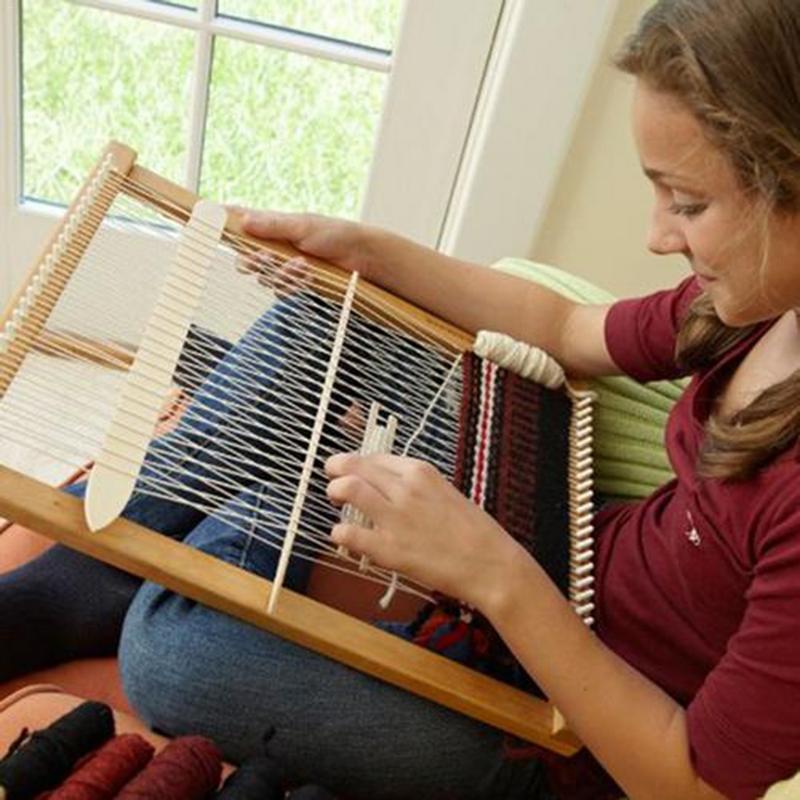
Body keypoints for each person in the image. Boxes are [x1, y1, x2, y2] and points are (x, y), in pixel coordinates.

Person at [3, 0, 800, 797]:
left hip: (562, 740)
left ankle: (103, 582)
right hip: (567, 556)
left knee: (166, 643)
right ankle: (55, 595)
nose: (659, 237)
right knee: (324, 323)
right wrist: (370, 252)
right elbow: (564, 323)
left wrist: (492, 573)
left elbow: (690, 785)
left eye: (688, 203)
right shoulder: (758, 309)